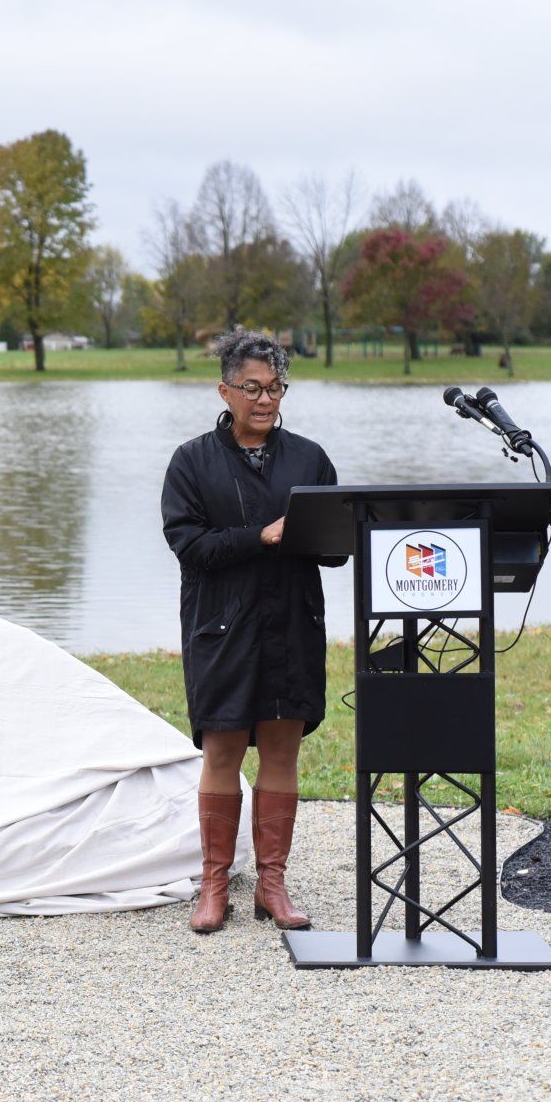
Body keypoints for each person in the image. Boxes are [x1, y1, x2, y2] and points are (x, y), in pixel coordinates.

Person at [160, 330, 344, 935]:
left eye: (276, 388)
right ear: (225, 391)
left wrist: (323, 531)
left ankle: (272, 884)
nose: (266, 400)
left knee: (283, 750)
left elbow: (336, 549)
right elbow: (189, 546)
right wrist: (260, 536)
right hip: (222, 627)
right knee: (223, 751)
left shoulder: (310, 459)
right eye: (253, 388)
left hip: (292, 622)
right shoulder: (192, 461)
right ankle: (214, 886)